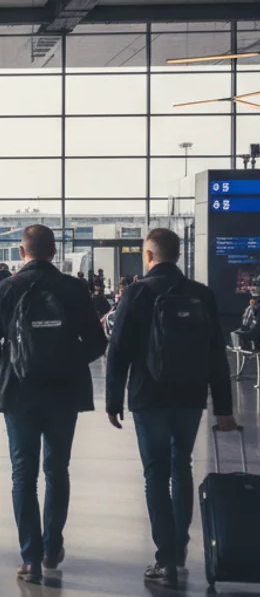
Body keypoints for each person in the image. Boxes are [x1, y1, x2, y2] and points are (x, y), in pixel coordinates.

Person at [104, 228, 238, 588]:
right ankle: (178, 548)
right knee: (182, 466)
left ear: (148, 256)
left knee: (155, 473)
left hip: (149, 397)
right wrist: (224, 407)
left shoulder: (136, 292)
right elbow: (216, 354)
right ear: (178, 255)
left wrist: (113, 401)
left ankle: (164, 560)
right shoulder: (201, 294)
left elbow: (118, 351)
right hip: (191, 397)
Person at [0, 225, 107, 584]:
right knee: (57, 469)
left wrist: (8, 371)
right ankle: (52, 547)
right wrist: (68, 363)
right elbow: (97, 342)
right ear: (54, 252)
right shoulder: (73, 288)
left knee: (23, 474)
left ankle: (30, 558)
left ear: (22, 252)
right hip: (64, 393)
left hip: (19, 394)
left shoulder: (4, 289)